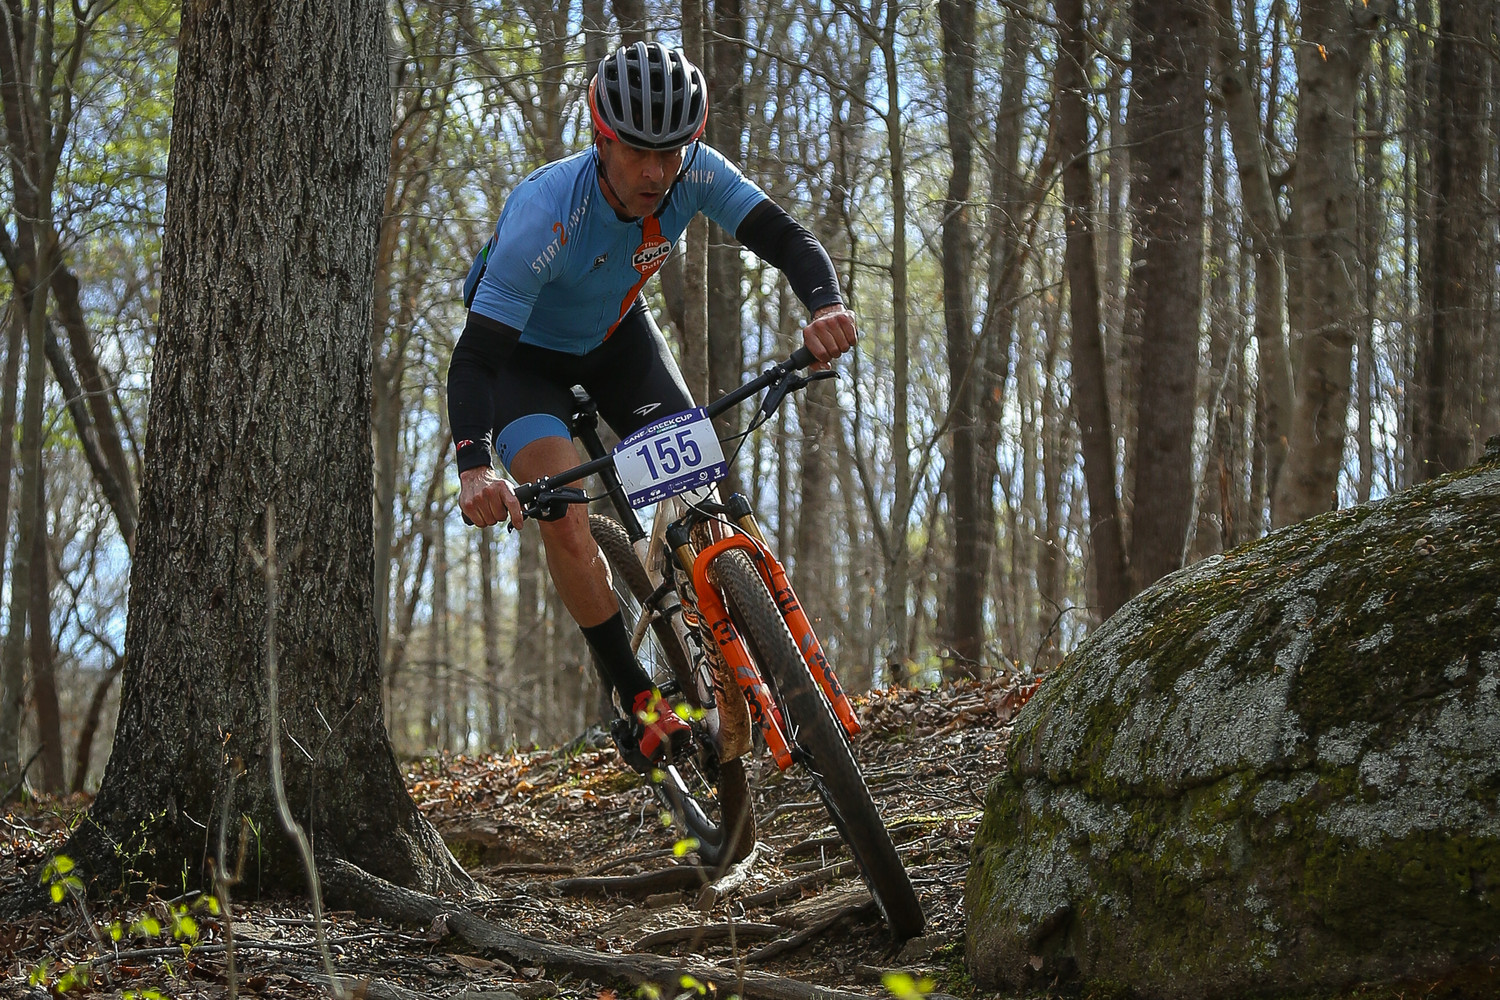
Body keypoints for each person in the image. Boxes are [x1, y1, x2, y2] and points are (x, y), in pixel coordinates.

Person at [448, 41, 856, 767]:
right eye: (637, 152)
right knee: (565, 512)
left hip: (617, 341)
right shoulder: (546, 211)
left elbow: (786, 237)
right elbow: (476, 357)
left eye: (670, 153)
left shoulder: (696, 173)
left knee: (703, 494)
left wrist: (825, 305)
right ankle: (636, 698)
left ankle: (734, 631)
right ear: (601, 139)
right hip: (522, 361)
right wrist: (475, 467)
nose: (655, 173)